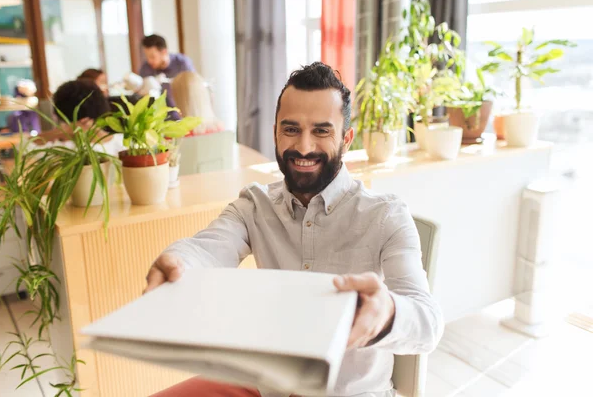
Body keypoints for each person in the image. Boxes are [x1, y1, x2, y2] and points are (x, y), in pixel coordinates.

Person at [145, 62, 444, 397]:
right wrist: (178, 262)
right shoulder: (254, 205)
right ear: (275, 132)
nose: (303, 147)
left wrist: (388, 313)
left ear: (346, 138)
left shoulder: (386, 216)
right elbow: (208, 248)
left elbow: (428, 324)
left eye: (321, 131)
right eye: (291, 129)